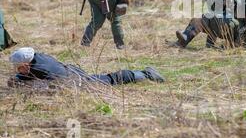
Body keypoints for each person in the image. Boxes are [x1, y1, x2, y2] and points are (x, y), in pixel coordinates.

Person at [7, 47, 165, 87]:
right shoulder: (36, 56)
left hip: (78, 81)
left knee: (111, 79)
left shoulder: (41, 70)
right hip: (72, 70)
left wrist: (19, 82)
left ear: (26, 64)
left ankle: (146, 74)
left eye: (18, 67)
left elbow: (43, 86)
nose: (17, 70)